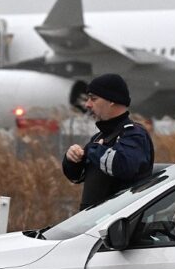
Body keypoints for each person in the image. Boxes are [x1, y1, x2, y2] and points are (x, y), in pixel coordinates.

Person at [63, 73, 154, 210]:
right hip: (93, 223)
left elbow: (123, 166)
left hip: (119, 224)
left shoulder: (134, 134)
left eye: (93, 99)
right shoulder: (98, 137)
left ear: (111, 100)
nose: (87, 104)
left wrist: (92, 150)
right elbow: (77, 176)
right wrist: (73, 159)